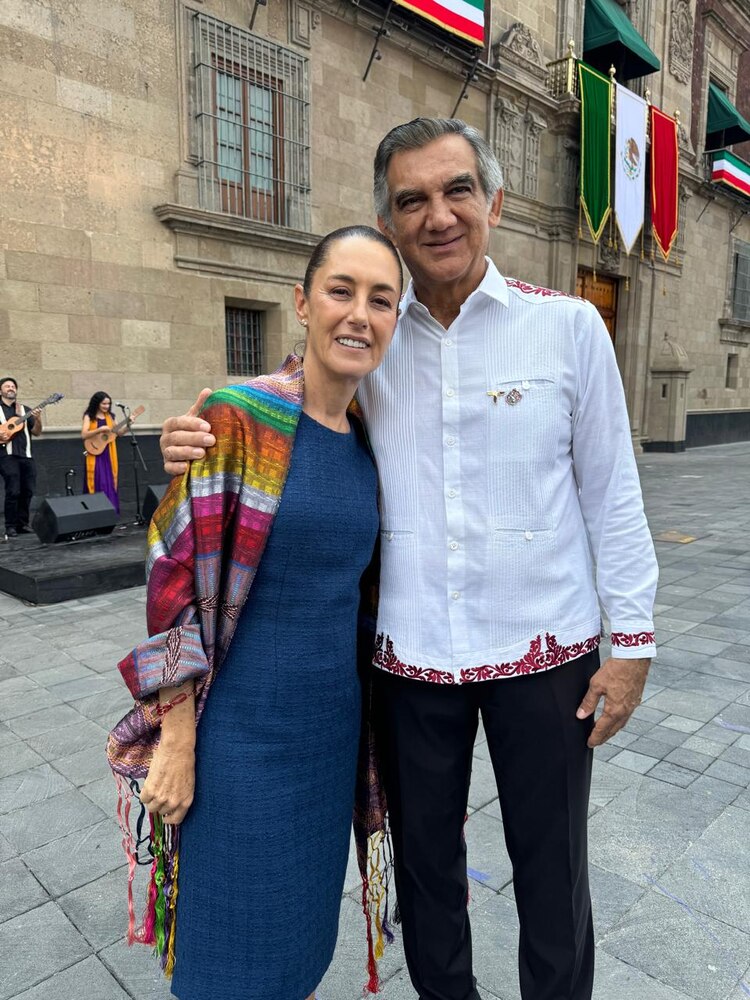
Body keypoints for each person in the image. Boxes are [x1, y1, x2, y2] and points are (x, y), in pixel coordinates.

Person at [159, 118, 659, 1000]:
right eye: (411, 200)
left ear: (494, 202)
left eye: (456, 190)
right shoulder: (375, 338)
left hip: (547, 650)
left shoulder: (570, 327)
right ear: (390, 222)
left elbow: (611, 493)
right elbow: (290, 401)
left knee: (553, 872)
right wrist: (197, 430)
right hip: (411, 662)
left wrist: (633, 645)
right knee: (428, 870)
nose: (438, 215)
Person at [107, 225, 402, 1000]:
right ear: (303, 304)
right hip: (239, 740)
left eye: (381, 300)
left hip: (330, 740)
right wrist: (177, 738)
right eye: (341, 291)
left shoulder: (375, 437)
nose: (359, 315)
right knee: (226, 957)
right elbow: (170, 578)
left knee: (299, 951)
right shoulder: (241, 418)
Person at [0, 377, 43, 537]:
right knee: (13, 490)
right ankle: (10, 525)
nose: (11, 388)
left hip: (26, 455)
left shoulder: (25, 410)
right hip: (6, 455)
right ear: (0, 391)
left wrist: (37, 419)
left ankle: (22, 524)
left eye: (13, 386)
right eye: (7, 386)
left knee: (28, 490)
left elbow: (37, 432)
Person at [81, 391, 125, 514]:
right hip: (95, 452)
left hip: (109, 453)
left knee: (109, 481)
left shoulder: (111, 417)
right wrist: (99, 430)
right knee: (97, 480)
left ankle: (111, 510)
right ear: (97, 403)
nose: (106, 406)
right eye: (104, 403)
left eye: (108, 404)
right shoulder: (89, 416)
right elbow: (84, 434)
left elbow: (119, 433)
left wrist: (128, 424)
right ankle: (95, 511)